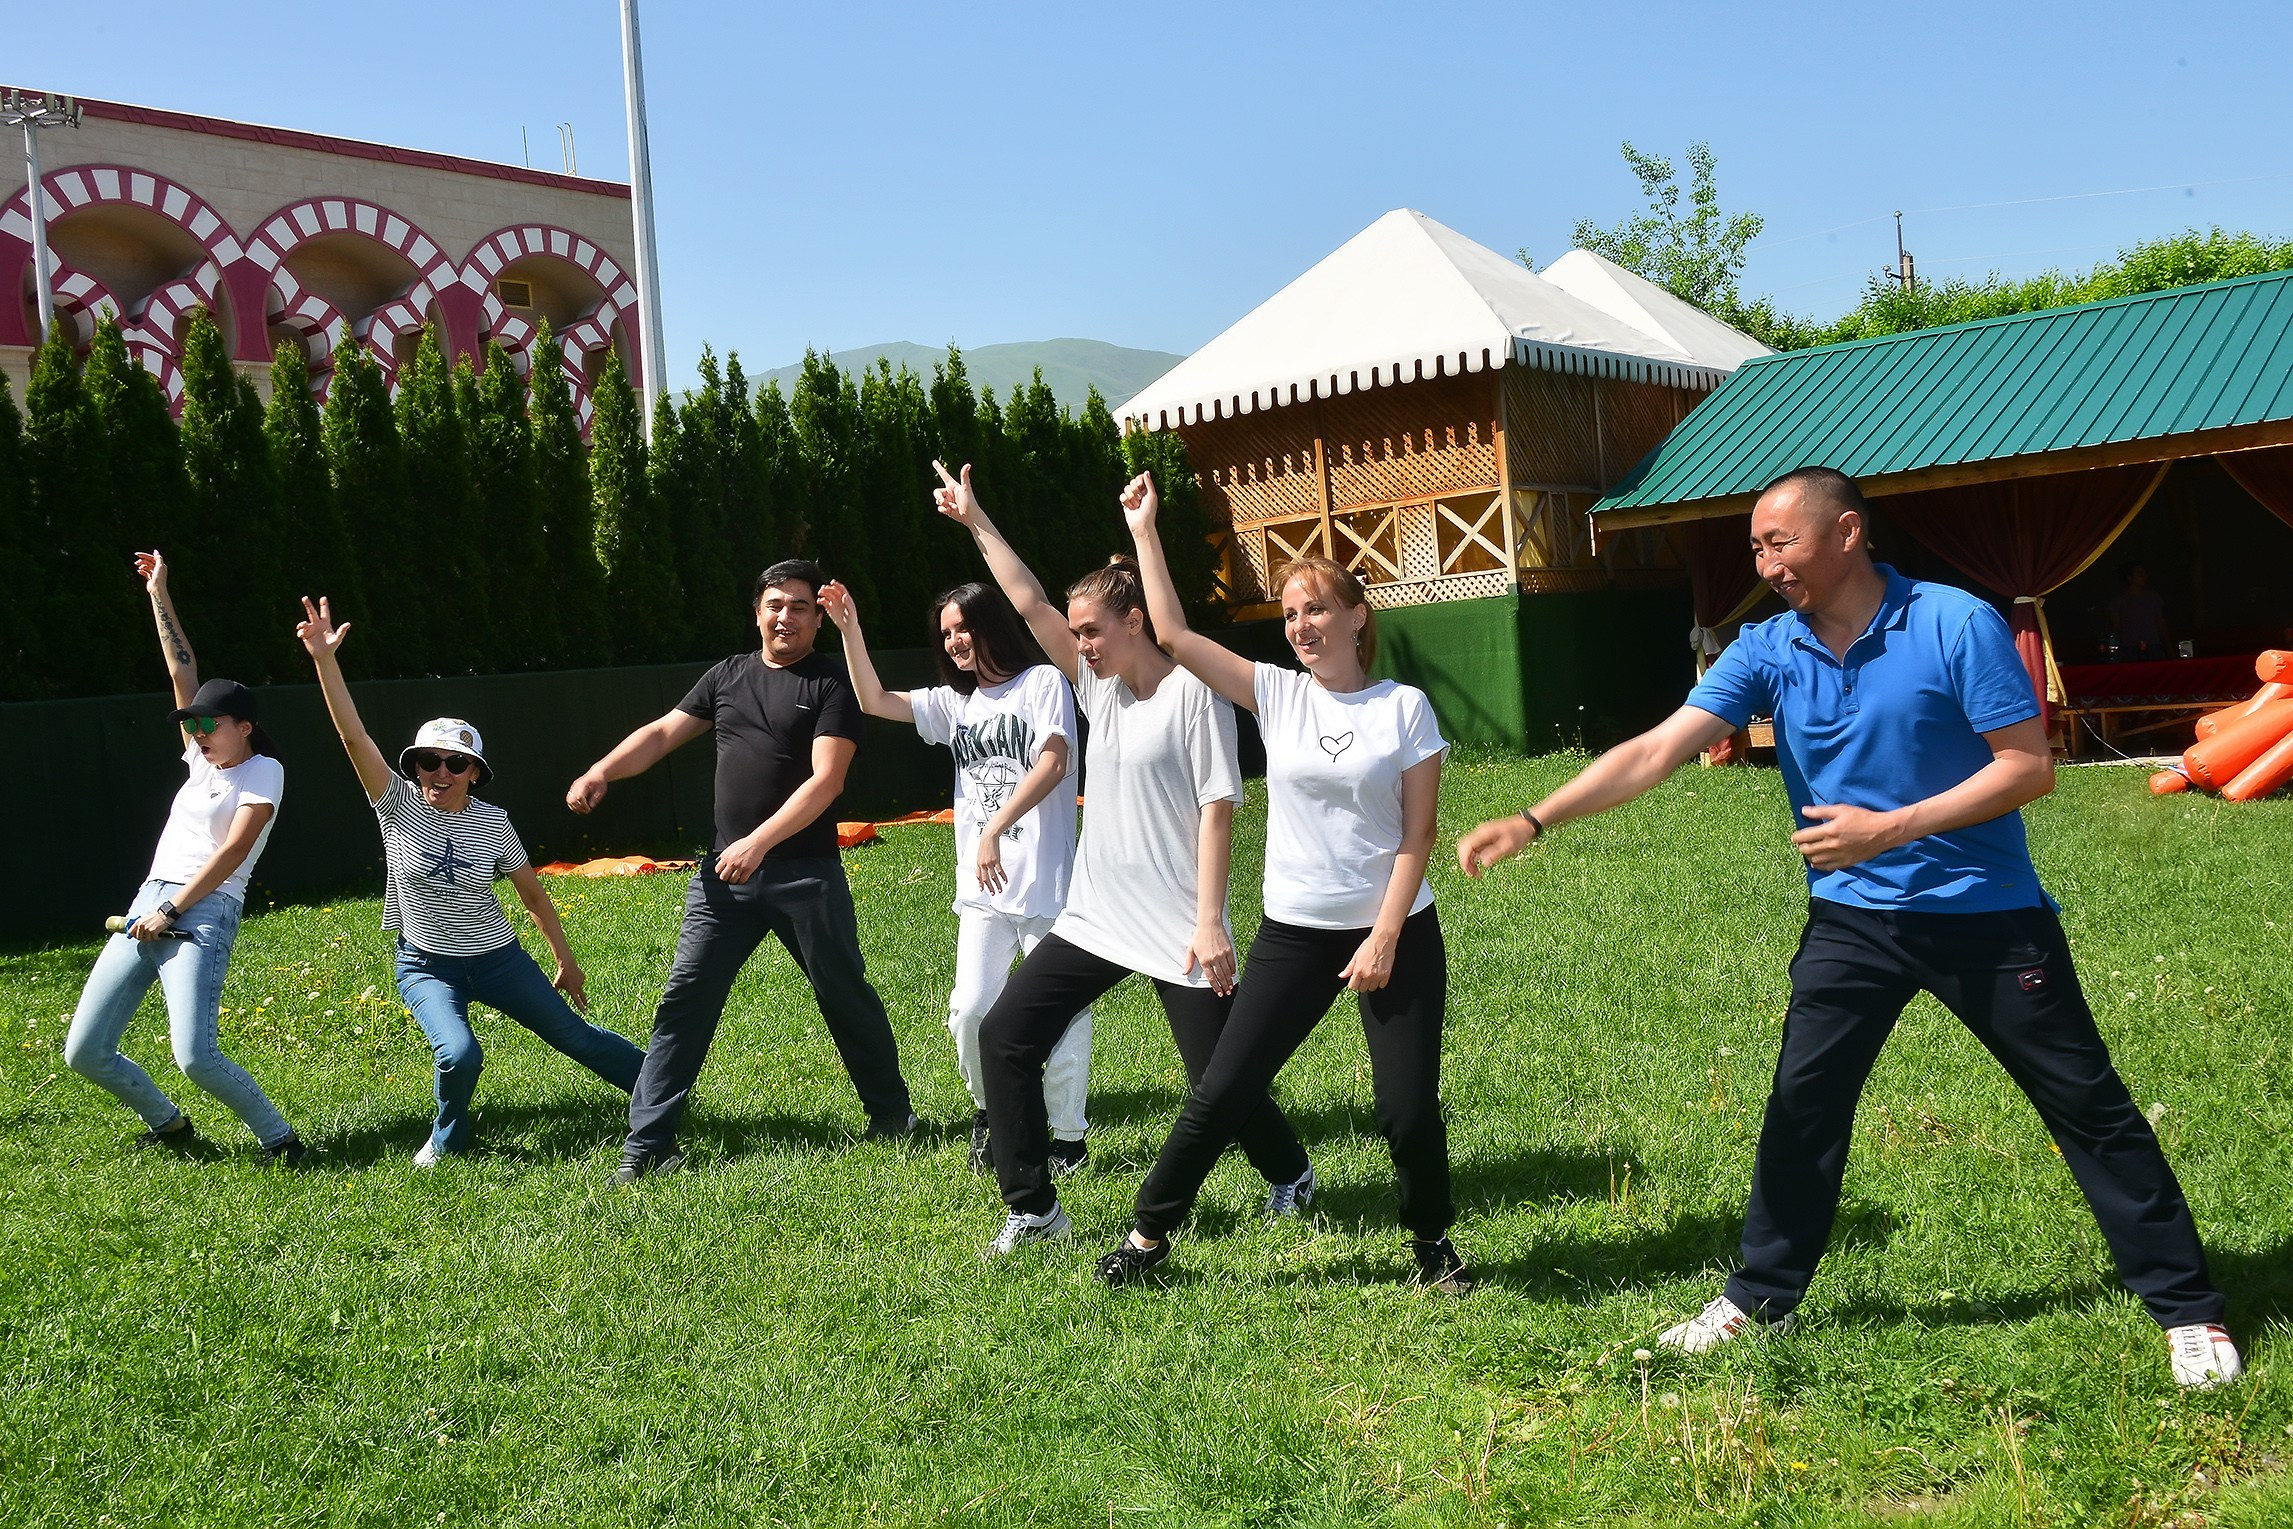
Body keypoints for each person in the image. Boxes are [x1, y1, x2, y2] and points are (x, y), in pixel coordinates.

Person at [1457, 465, 2240, 1389]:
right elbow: (1658, 748)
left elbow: (2028, 767)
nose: (1766, 563)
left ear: (1846, 533)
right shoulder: (1767, 646)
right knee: (1803, 1104)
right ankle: (1759, 1296)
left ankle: (2187, 1309)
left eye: (1779, 542)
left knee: (2086, 1105)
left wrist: (1888, 828)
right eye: (1756, 546)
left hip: (1985, 913)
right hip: (1853, 920)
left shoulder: (1953, 622)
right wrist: (1534, 817)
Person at [1095, 473, 1469, 1295]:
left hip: (1396, 929)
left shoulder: (1403, 707)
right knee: (1223, 1088)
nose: (1301, 625)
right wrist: (1145, 530)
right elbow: (1173, 633)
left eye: (1317, 609)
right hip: (1295, 931)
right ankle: (1148, 1233)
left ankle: (1432, 1242)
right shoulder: (1276, 693)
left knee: (1406, 1109)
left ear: (1356, 617)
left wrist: (1384, 935)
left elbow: (1418, 835)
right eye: (1291, 613)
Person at [935, 461, 1317, 1258]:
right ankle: (1034, 1208)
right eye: (1076, 635)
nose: (1079, 645)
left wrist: (1209, 922)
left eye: (1092, 632)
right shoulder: (1097, 688)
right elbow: (1028, 602)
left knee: (1218, 1080)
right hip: (1096, 915)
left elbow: (1218, 809)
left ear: (1134, 622)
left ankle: (1291, 1173)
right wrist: (975, 520)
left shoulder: (1194, 695)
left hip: (1177, 924)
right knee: (1004, 1034)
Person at [568, 560, 917, 1183]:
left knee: (842, 992)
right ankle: (648, 1145)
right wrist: (602, 770)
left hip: (805, 875)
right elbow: (663, 733)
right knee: (685, 1000)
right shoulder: (728, 675)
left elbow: (827, 781)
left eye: (800, 607)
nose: (786, 617)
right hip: (723, 879)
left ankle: (892, 1115)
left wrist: (757, 843)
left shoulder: (831, 684)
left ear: (818, 619)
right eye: (775, 605)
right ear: (757, 612)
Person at [295, 597, 646, 1164]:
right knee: (459, 1053)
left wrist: (565, 959)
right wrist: (324, 661)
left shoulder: (494, 822)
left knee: (574, 1036)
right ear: (414, 767)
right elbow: (354, 739)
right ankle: (447, 1141)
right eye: (428, 760)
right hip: (425, 964)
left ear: (475, 773)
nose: (440, 771)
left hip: (498, 959)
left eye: (455, 763)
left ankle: (661, 1092)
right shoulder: (395, 803)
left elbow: (532, 895)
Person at [818, 576, 1093, 1175]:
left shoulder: (1041, 683)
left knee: (1063, 1015)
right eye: (945, 634)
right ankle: (994, 1113)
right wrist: (849, 629)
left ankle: (1069, 1136)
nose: (954, 642)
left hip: (1048, 887)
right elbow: (874, 699)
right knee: (970, 1011)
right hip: (983, 891)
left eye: (963, 628)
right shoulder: (954, 704)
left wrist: (995, 827)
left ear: (991, 624)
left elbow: (1054, 761)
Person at [64, 551, 307, 1166]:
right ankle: (168, 1124)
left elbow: (235, 849)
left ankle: (282, 1141)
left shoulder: (264, 770)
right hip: (148, 901)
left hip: (202, 911)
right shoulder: (200, 758)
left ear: (244, 726)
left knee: (195, 1055)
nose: (198, 733)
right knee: (84, 1050)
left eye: (210, 724)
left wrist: (171, 910)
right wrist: (158, 592)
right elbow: (180, 665)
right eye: (192, 725)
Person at [2106, 562, 2170, 659]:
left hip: (2152, 645)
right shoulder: (2119, 601)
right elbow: (2116, 627)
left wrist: (2168, 647)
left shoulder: (2153, 597)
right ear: (2129, 577)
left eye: (2144, 573)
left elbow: (2161, 623)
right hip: (2129, 647)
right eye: (2140, 573)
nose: (2144, 576)